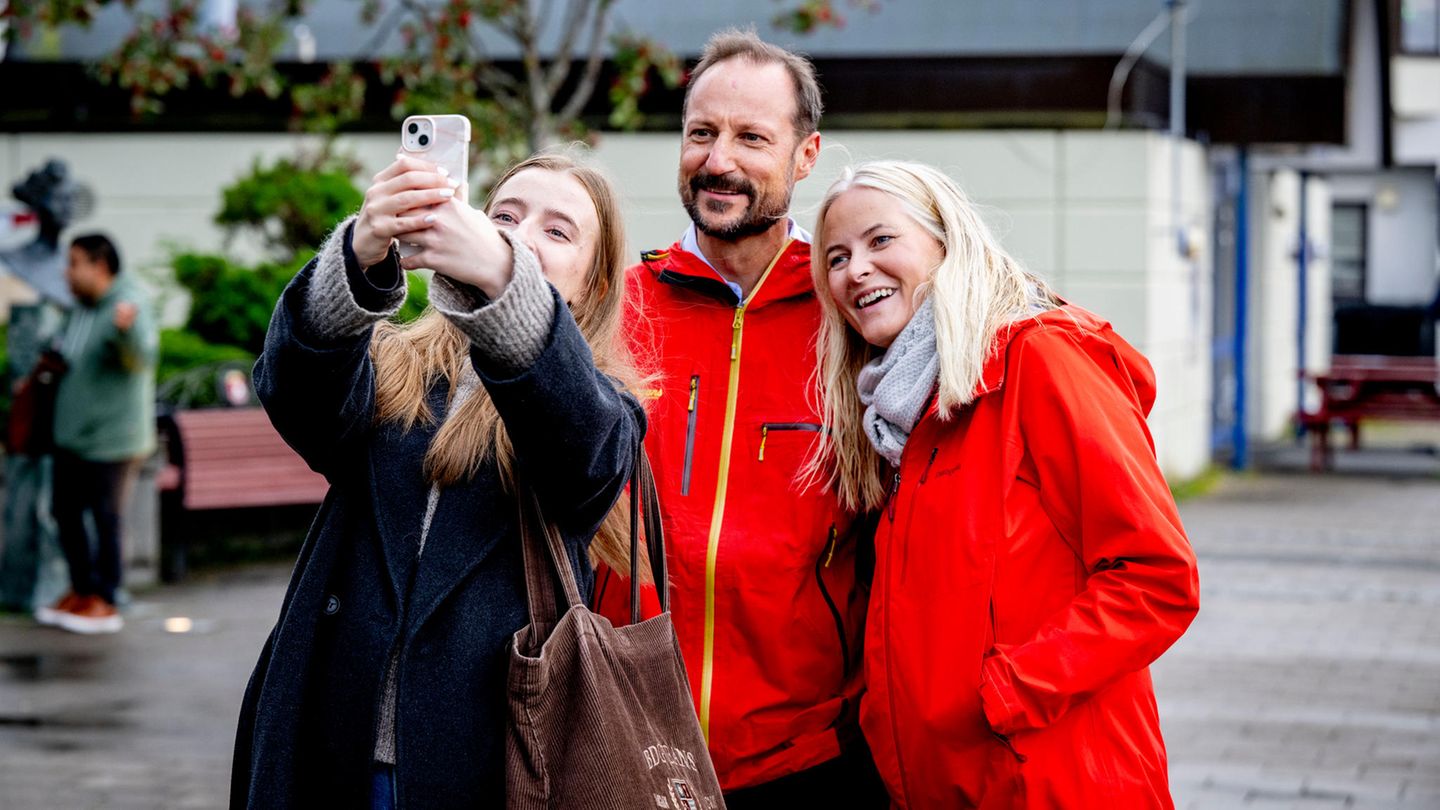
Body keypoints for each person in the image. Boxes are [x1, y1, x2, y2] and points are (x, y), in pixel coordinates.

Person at [230, 151, 646, 808]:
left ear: (592, 285)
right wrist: (361, 251)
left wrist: (509, 285)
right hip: (327, 741)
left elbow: (583, 457)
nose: (520, 235)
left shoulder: (602, 403)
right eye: (504, 216)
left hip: (488, 763)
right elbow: (297, 395)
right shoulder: (392, 366)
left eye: (557, 231)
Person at [808, 160, 1202, 808]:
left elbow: (1156, 576)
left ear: (946, 242)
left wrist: (1008, 691)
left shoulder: (1039, 360)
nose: (855, 270)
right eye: (837, 257)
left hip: (1055, 782)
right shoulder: (897, 417)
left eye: (881, 240)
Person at [592, 29, 886, 806]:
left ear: (806, 153)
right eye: (701, 133)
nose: (719, 161)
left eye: (752, 137)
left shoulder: (851, 320)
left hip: (806, 760)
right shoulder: (615, 308)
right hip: (622, 740)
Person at [33, 233, 157, 634]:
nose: (66, 273)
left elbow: (141, 358)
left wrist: (126, 332)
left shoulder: (129, 301)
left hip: (113, 439)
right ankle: (82, 591)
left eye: (74, 263)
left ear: (99, 266)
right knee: (65, 513)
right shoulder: (80, 308)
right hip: (73, 436)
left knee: (106, 519)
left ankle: (106, 600)